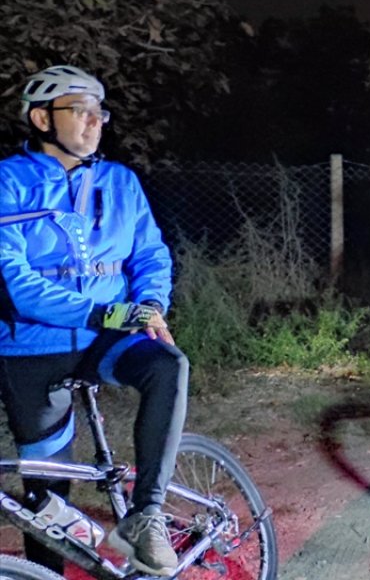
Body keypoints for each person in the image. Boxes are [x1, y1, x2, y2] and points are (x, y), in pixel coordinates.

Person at [0, 65, 188, 576]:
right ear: (41, 118)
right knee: (45, 499)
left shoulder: (120, 182)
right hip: (31, 345)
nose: (94, 122)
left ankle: (146, 515)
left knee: (167, 365)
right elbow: (13, 280)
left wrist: (148, 305)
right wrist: (104, 309)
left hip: (108, 338)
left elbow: (150, 255)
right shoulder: (8, 181)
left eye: (98, 112)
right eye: (78, 110)